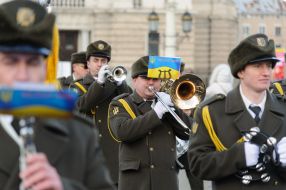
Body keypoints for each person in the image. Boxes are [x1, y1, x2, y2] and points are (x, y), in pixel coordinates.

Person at [0, 1, 115, 189]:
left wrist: (63, 186)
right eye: (11, 61)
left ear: (45, 67)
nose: (23, 74)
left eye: (33, 62)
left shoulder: (80, 133)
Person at [188, 33, 286, 190]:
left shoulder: (283, 108)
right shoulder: (212, 112)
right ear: (240, 72)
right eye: (257, 66)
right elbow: (197, 165)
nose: (266, 72)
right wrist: (240, 155)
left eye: (269, 66)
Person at [108, 55, 192, 190]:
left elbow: (188, 132)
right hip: (136, 181)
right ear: (134, 80)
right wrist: (156, 113)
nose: (151, 83)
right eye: (146, 78)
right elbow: (122, 132)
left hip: (166, 180)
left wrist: (174, 108)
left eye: (155, 79)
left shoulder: (166, 103)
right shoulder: (122, 103)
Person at [70, 40, 132, 185]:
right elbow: (81, 105)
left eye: (103, 60)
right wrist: (99, 84)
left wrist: (120, 84)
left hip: (113, 151)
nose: (99, 64)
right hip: (89, 148)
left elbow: (131, 103)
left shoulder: (115, 84)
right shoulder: (77, 86)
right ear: (88, 63)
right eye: (95, 60)